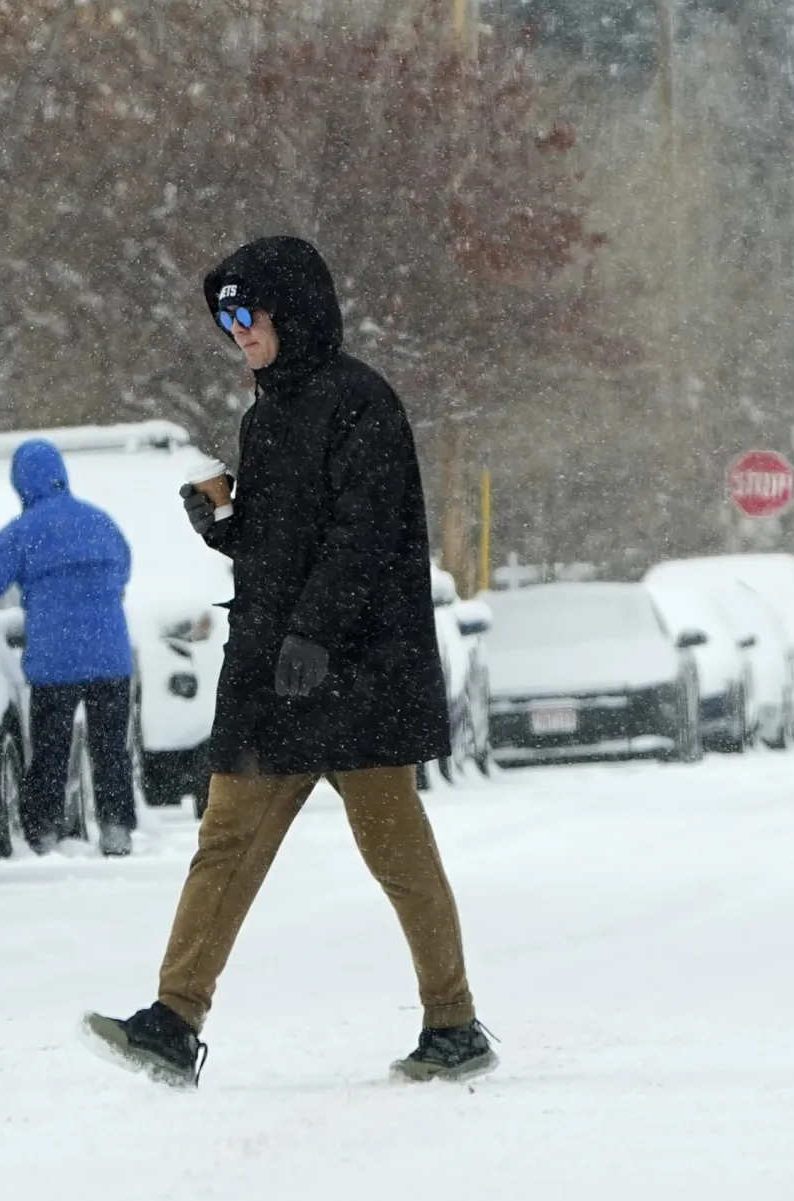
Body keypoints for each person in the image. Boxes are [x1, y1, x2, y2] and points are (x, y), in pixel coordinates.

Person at [81, 236, 494, 1086]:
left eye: (248, 312)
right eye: (224, 317)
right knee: (225, 837)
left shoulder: (360, 404)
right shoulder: (266, 413)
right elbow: (283, 541)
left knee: (396, 849)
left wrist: (315, 630)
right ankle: (173, 1018)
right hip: (279, 674)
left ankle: (453, 1021)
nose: (236, 331)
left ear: (293, 311)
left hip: (358, 673)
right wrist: (227, 526)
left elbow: (364, 536)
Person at [0, 439, 138, 857]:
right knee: (110, 748)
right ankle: (116, 827)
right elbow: (123, 568)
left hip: (55, 659)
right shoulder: (100, 521)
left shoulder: (21, 532)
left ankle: (43, 831)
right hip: (109, 655)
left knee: (50, 749)